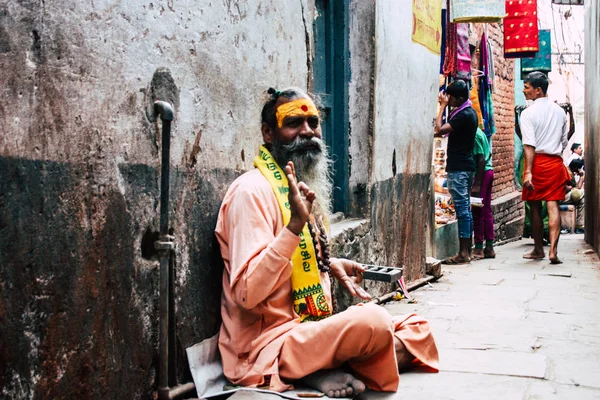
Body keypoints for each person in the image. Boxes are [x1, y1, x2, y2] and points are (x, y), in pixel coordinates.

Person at [215, 87, 439, 398]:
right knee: (373, 322)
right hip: (268, 343)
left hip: (311, 328)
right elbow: (247, 293)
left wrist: (330, 264)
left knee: (418, 327)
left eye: (313, 123)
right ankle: (317, 366)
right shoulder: (250, 192)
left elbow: (295, 262)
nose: (307, 132)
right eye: (293, 123)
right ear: (269, 133)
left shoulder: (302, 185)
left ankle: (326, 367)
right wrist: (294, 225)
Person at [520, 72, 571, 264]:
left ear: (538, 90)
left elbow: (529, 145)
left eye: (527, 87)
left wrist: (528, 172)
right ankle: (554, 251)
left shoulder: (527, 113)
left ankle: (539, 249)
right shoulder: (560, 111)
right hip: (554, 162)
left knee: (534, 205)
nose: (524, 91)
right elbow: (564, 141)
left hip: (536, 163)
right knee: (553, 204)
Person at [435, 80, 478, 264]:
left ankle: (463, 253)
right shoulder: (469, 112)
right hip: (465, 166)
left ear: (459, 97)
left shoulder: (463, 115)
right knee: (464, 209)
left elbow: (439, 130)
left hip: (460, 168)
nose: (449, 99)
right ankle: (467, 251)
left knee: (462, 211)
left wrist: (442, 106)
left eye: (451, 97)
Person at [471, 127, 495, 259]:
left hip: (482, 174)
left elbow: (481, 160)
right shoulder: (480, 131)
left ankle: (479, 247)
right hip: (487, 172)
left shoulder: (474, 134)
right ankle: (489, 246)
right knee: (486, 210)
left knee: (478, 210)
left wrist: (477, 184)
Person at [562, 158, 585, 234]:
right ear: (577, 168)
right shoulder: (566, 172)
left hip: (566, 196)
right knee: (584, 192)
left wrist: (581, 177)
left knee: (583, 201)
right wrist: (569, 188)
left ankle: (579, 226)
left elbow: (577, 187)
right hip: (561, 197)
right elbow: (563, 187)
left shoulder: (571, 172)